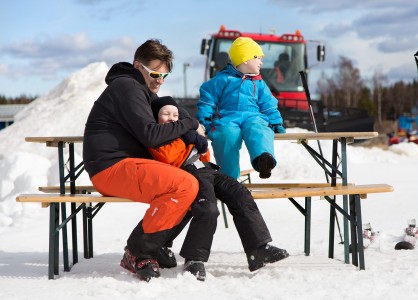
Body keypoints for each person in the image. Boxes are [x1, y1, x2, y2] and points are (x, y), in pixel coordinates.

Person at [83, 39, 204, 281]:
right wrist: (189, 123)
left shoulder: (139, 90)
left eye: (165, 76)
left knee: (194, 185)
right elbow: (151, 136)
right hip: (111, 167)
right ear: (138, 66)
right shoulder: (127, 87)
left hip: (123, 166)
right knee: (185, 185)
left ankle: (154, 245)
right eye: (155, 73)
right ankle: (138, 251)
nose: (160, 80)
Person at [148, 96, 289, 281]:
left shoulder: (183, 132)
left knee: (239, 192)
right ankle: (194, 259)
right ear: (156, 117)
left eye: (175, 114)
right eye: (166, 114)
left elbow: (203, 151)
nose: (171, 118)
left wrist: (191, 138)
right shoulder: (157, 135)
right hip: (185, 175)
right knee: (208, 207)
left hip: (205, 170)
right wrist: (189, 138)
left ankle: (258, 249)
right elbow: (168, 157)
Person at [197, 36, 286, 180]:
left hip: (254, 116)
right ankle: (229, 177)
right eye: (258, 57)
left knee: (260, 130)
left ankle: (263, 160)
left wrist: (275, 122)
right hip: (229, 118)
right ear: (245, 59)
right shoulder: (222, 79)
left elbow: (268, 104)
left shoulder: (259, 82)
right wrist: (205, 120)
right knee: (226, 135)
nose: (261, 62)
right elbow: (208, 100)